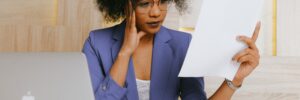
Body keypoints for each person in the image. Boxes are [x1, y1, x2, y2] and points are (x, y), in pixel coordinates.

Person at [82, 0, 261, 100]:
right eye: (145, 3)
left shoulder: (182, 44)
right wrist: (125, 53)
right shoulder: (96, 43)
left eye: (162, 2)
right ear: (125, 4)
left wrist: (234, 79)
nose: (156, 12)